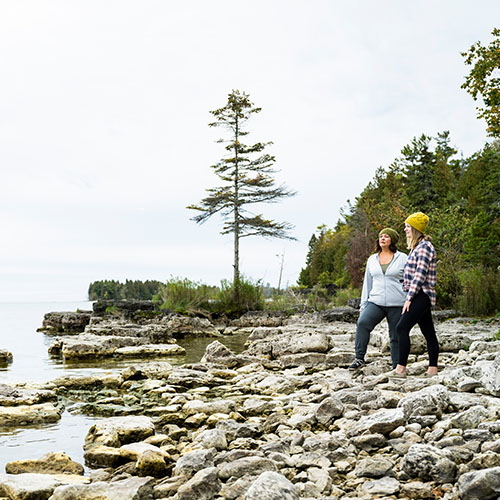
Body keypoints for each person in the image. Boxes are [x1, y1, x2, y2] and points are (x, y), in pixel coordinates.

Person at [349, 228, 407, 370]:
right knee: (362, 323)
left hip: (398, 303)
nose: (382, 238)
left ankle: (396, 366)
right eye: (381, 236)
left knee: (395, 336)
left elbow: (409, 281)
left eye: (386, 236)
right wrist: (363, 305)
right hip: (376, 302)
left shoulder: (403, 258)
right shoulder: (372, 259)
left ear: (392, 240)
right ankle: (359, 358)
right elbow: (367, 283)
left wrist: (409, 300)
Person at [391, 212, 439, 378]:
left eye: (408, 226)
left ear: (416, 229)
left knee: (401, 327)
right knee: (428, 332)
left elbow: (420, 274)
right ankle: (433, 369)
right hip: (418, 294)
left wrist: (409, 298)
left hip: (422, 294)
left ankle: (401, 369)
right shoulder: (416, 248)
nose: (405, 229)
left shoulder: (425, 247)